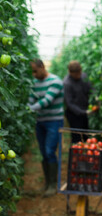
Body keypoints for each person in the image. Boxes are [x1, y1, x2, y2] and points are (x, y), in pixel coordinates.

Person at [28, 59, 64, 197]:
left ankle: (53, 185)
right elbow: (31, 98)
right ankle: (48, 182)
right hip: (41, 122)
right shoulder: (35, 83)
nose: (34, 74)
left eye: (35, 71)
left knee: (49, 151)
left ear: (42, 67)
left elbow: (47, 100)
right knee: (43, 151)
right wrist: (28, 106)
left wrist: (30, 108)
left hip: (54, 121)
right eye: (32, 72)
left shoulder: (55, 81)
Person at [63, 60, 92, 143]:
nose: (78, 76)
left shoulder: (84, 76)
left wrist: (95, 98)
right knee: (77, 137)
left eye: (79, 73)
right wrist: (84, 112)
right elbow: (69, 103)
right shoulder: (67, 83)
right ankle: (76, 154)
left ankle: (86, 154)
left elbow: (91, 89)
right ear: (70, 72)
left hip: (84, 110)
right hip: (73, 114)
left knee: (85, 135)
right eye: (76, 74)